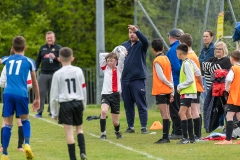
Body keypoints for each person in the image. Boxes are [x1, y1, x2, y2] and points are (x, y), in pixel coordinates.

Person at [0, 36, 40, 160]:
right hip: (21, 93)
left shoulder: (7, 59)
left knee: (8, 124)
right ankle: (27, 144)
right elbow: (34, 82)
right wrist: (37, 98)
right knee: (25, 120)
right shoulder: (29, 61)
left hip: (7, 93)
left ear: (12, 48)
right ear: (25, 48)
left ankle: (5, 153)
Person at [50, 47, 87, 160]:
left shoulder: (57, 73)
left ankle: (73, 158)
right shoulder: (78, 71)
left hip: (65, 104)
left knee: (69, 133)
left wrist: (54, 113)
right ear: (72, 58)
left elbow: (54, 95)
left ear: (59, 59)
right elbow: (83, 89)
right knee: (79, 129)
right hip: (78, 102)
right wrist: (83, 105)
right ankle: (83, 152)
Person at [0, 49, 32, 152]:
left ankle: (3, 148)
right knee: (21, 121)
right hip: (21, 95)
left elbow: (1, 82)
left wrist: (9, 86)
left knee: (5, 122)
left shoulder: (6, 64)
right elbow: (30, 83)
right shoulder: (26, 64)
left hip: (8, 94)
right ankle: (20, 146)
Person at [121, 24, 149, 134]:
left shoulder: (142, 44)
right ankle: (130, 127)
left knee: (141, 103)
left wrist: (137, 31)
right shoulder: (123, 46)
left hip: (137, 78)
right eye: (130, 32)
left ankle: (143, 127)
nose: (132, 34)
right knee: (128, 105)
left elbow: (146, 41)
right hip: (125, 79)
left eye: (133, 32)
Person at [99, 46, 127, 140]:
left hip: (115, 96)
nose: (109, 62)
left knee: (115, 122)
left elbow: (122, 56)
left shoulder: (119, 69)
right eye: (108, 61)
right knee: (103, 111)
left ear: (116, 61)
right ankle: (103, 134)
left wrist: (119, 54)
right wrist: (112, 53)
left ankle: (117, 131)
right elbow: (101, 55)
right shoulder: (105, 68)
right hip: (105, 95)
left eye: (112, 60)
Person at [179, 33, 204, 140]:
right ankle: (193, 136)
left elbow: (197, 74)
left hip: (192, 87)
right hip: (194, 86)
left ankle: (197, 135)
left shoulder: (189, 57)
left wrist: (200, 85)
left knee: (194, 111)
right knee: (191, 111)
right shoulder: (192, 56)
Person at [151, 39, 174, 144]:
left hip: (161, 90)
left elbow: (161, 77)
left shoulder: (157, 61)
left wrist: (170, 85)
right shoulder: (166, 58)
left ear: (152, 49)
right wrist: (172, 88)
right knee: (167, 113)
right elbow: (170, 75)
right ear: (163, 48)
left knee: (164, 114)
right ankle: (166, 136)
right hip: (168, 90)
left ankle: (165, 137)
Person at [215, 50, 240, 145]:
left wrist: (227, 87)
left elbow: (229, 79)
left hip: (234, 96)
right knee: (238, 116)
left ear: (232, 59)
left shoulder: (233, 68)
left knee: (229, 116)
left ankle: (228, 139)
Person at [34, 31, 62, 118]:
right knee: (41, 92)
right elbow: (38, 60)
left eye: (51, 38)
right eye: (48, 38)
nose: (49, 39)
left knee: (53, 93)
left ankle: (52, 112)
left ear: (54, 38)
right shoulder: (42, 48)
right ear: (46, 39)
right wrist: (34, 70)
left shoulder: (58, 48)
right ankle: (39, 112)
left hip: (55, 73)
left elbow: (61, 59)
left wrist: (55, 58)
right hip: (44, 73)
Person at [176, 44, 198, 144]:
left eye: (177, 52)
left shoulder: (186, 64)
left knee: (181, 113)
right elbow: (197, 72)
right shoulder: (188, 62)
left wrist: (179, 86)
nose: (176, 54)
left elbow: (190, 79)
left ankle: (185, 138)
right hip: (189, 92)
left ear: (180, 53)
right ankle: (191, 137)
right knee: (188, 114)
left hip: (187, 92)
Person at [166, 28, 183, 139]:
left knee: (174, 108)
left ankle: (178, 131)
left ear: (171, 37)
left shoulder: (173, 50)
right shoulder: (181, 47)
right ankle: (177, 130)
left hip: (175, 81)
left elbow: (176, 67)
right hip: (180, 82)